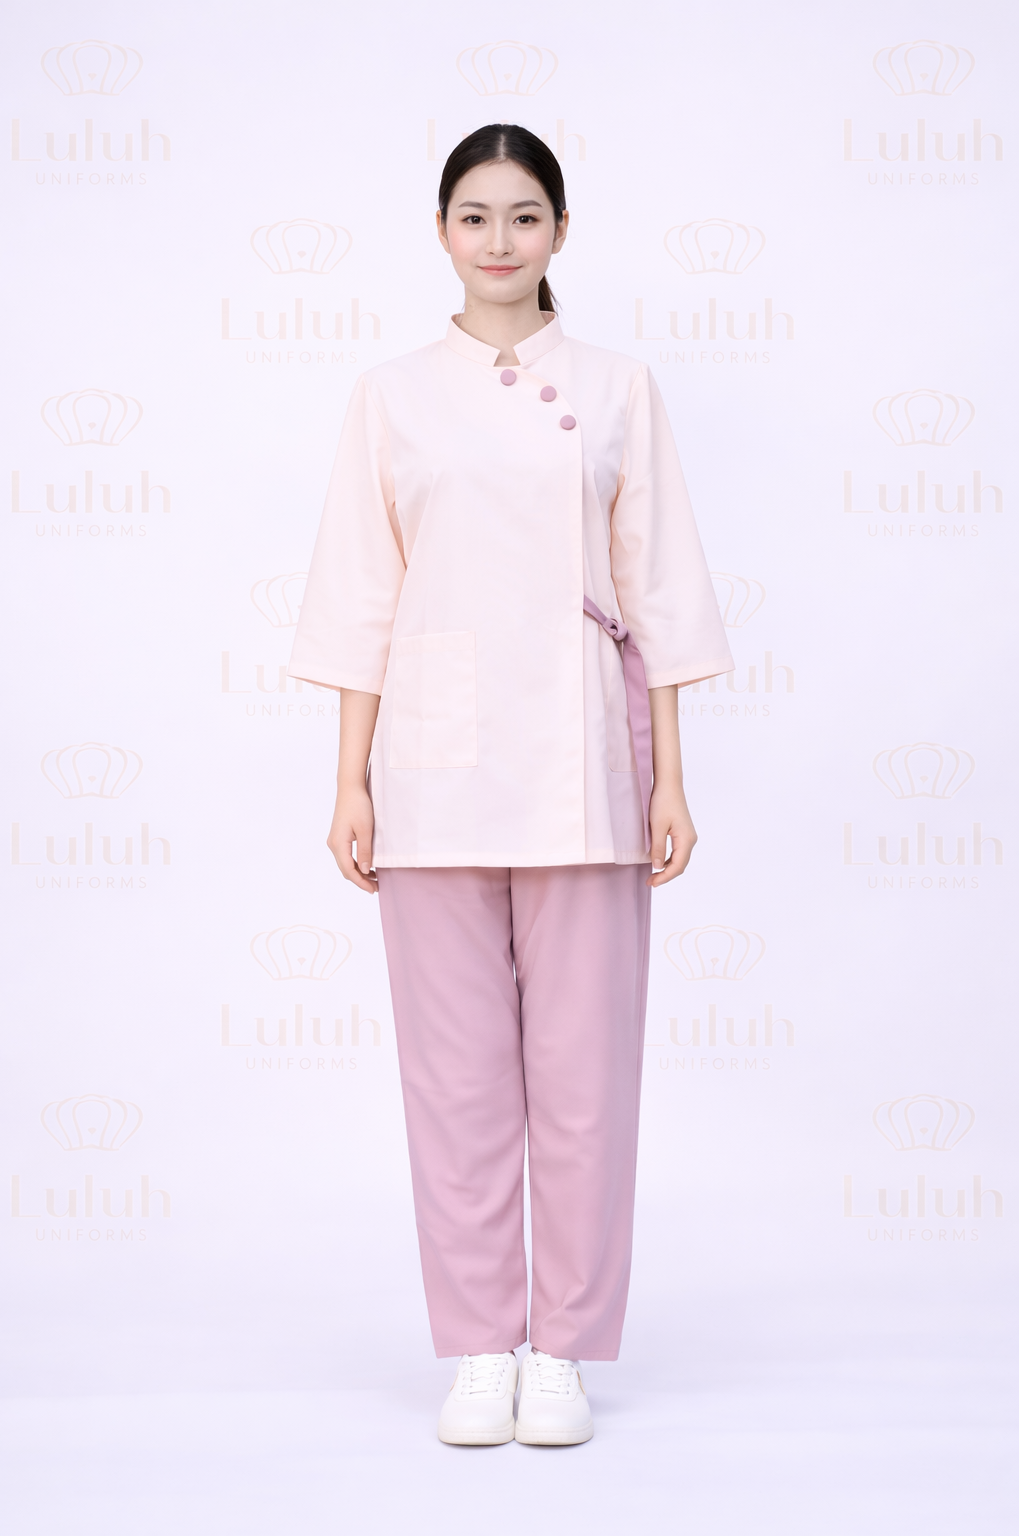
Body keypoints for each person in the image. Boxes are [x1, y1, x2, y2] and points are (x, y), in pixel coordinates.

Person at [288, 123, 733, 1447]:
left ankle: (568, 1351)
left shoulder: (617, 386)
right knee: (458, 1081)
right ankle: (483, 1346)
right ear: (441, 233)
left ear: (560, 233)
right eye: (475, 216)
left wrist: (669, 779)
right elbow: (361, 594)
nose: (499, 240)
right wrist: (350, 780)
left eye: (524, 216)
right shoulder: (390, 395)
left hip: (586, 768)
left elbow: (659, 586)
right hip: (428, 777)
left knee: (584, 1079)